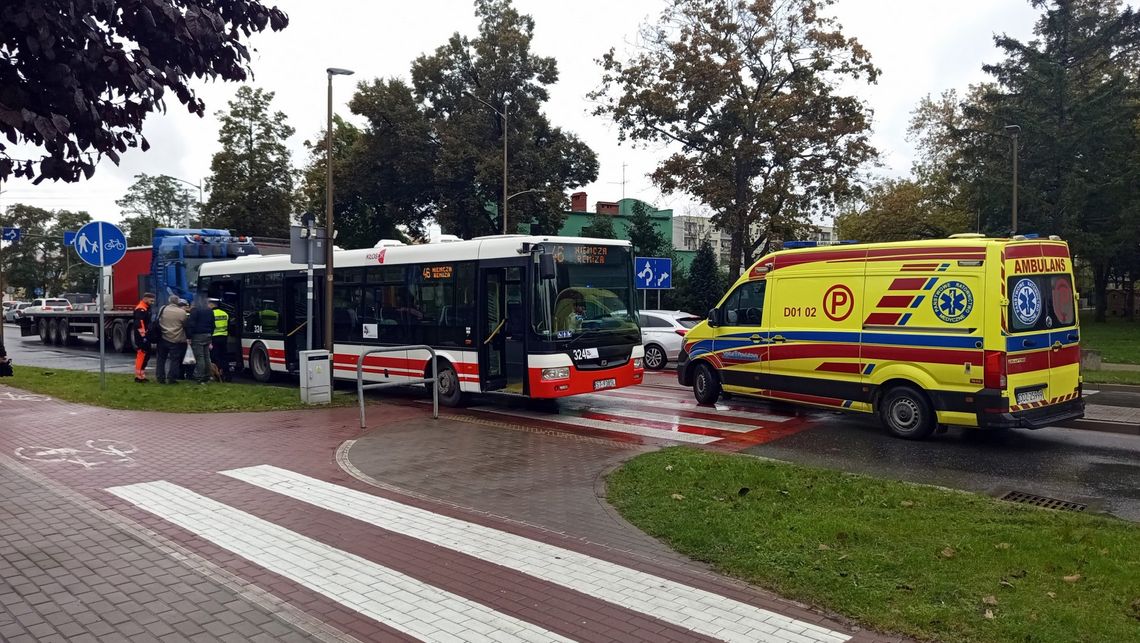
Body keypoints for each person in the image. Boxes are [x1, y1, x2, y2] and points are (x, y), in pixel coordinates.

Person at [155, 295, 189, 384]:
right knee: (175, 360)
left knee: (161, 359)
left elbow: (158, 320)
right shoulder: (182, 312)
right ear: (178, 302)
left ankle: (160, 377)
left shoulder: (163, 309)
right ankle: (172, 378)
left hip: (163, 337)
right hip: (176, 339)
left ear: (169, 301)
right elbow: (185, 325)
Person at [186, 294, 214, 384]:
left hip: (198, 335)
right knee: (207, 356)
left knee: (200, 357)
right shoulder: (209, 310)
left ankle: (199, 376)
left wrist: (189, 337)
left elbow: (191, 324)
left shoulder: (195, 311)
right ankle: (207, 375)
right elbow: (213, 324)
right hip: (208, 334)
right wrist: (211, 335)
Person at [132, 292, 156, 383]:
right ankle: (138, 376)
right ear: (145, 299)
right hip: (141, 336)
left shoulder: (145, 308)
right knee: (142, 354)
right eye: (151, 300)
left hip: (144, 335)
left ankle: (141, 375)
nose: (152, 302)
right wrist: (144, 336)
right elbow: (140, 324)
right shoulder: (141, 309)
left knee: (146, 355)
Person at [209, 298, 230, 382]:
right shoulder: (225, 313)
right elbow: (228, 326)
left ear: (212, 305)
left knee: (215, 357)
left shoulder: (211, 313)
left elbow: (210, 326)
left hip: (214, 338)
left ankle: (217, 374)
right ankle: (227, 375)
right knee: (224, 357)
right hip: (224, 337)